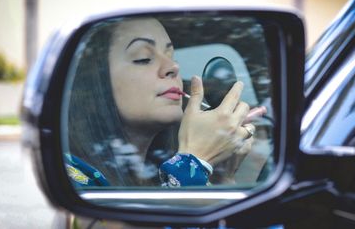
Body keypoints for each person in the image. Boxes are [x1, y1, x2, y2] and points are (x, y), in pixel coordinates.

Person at [66, 17, 260, 187]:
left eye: (171, 55)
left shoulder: (155, 175)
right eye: (144, 58)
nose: (173, 67)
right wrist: (193, 161)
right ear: (94, 83)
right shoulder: (72, 178)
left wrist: (220, 176)